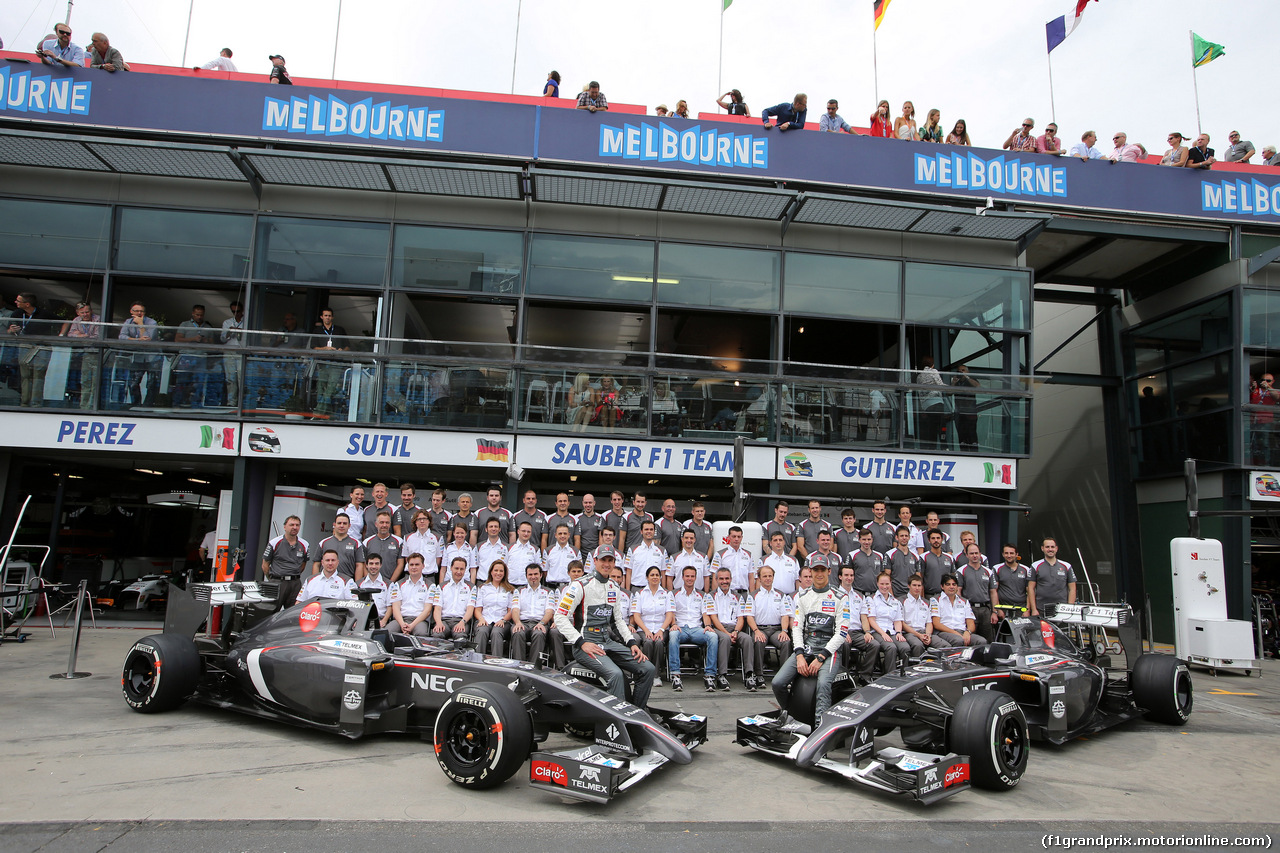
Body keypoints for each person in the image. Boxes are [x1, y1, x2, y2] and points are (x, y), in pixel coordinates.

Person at [554, 546, 655, 706]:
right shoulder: (579, 585)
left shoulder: (614, 587)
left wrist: (631, 643)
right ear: (595, 561)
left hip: (607, 642)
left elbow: (618, 621)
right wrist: (581, 643)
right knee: (615, 675)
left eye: (610, 560)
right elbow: (559, 617)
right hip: (586, 644)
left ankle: (637, 713)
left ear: (614, 562)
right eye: (603, 560)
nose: (607, 564)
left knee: (648, 669)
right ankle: (618, 721)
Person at [770, 562, 845, 724]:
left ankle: (820, 730)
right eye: (815, 570)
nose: (819, 574)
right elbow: (796, 628)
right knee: (777, 683)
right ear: (810, 572)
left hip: (829, 651)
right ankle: (791, 714)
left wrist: (821, 658)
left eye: (822, 570)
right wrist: (799, 656)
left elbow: (842, 634)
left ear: (829, 571)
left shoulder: (841, 597)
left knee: (823, 685)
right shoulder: (803, 597)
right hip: (807, 648)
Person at [666, 564, 717, 692]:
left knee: (713, 636)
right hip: (680, 628)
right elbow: (671, 612)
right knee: (672, 635)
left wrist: (708, 626)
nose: (689, 578)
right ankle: (675, 674)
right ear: (682, 577)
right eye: (687, 576)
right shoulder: (673, 593)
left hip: (696, 629)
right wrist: (673, 625)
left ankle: (710, 674)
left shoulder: (702, 595)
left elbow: (705, 613)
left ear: (695, 578)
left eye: (692, 576)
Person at [744, 565, 793, 689]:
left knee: (786, 641)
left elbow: (785, 615)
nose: (767, 578)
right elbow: (749, 616)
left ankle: (784, 675)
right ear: (759, 578)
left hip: (777, 629)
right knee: (759, 640)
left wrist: (784, 631)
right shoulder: (753, 595)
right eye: (764, 576)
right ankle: (759, 675)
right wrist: (756, 631)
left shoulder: (781, 595)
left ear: (773, 577)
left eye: (770, 576)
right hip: (760, 629)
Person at [705, 568, 751, 690]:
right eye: (721, 579)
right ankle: (722, 675)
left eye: (727, 578)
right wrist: (727, 633)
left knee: (747, 639)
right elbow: (714, 619)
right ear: (716, 580)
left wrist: (735, 632)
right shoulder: (710, 596)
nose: (724, 581)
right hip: (719, 628)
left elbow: (741, 618)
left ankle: (749, 674)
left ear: (731, 579)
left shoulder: (738, 596)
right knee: (725, 639)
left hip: (735, 628)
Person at [632, 566, 674, 683]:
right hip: (644, 628)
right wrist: (646, 630)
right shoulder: (640, 593)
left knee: (660, 642)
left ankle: (656, 675)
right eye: (652, 575)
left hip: (662, 628)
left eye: (657, 575)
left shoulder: (667, 594)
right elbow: (636, 616)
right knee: (648, 642)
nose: (655, 577)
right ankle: (645, 673)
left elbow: (669, 615)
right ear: (647, 577)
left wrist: (661, 630)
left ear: (660, 577)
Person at [261, 515, 310, 610]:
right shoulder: (274, 542)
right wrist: (272, 579)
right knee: (272, 611)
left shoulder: (305, 544)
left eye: (297, 525)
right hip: (277, 582)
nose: (294, 527)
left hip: (295, 583)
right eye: (291, 525)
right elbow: (265, 565)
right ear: (285, 527)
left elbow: (303, 564)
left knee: (292, 613)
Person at [60, 300, 102, 410]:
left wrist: (81, 336)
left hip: (96, 353)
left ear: (91, 311)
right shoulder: (76, 320)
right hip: (83, 355)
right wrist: (84, 336)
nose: (85, 315)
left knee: (95, 382)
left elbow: (97, 336)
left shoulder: (98, 319)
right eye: (82, 313)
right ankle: (84, 406)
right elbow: (71, 334)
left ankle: (93, 405)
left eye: (87, 312)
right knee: (85, 381)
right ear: (78, 313)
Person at [511, 563, 556, 664]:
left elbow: (549, 611)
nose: (533, 577)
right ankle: (519, 665)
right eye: (530, 574)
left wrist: (542, 623)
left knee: (539, 634)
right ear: (526, 576)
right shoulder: (519, 591)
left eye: (536, 574)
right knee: (517, 632)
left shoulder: (548, 592)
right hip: (522, 622)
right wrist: (517, 622)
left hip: (540, 622)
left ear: (541, 575)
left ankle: (534, 667)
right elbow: (515, 610)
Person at [118, 301, 159, 407]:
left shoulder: (152, 323)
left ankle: (148, 406)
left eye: (141, 311)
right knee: (133, 383)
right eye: (137, 311)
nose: (139, 313)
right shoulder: (128, 321)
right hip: (137, 357)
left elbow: (147, 339)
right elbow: (122, 337)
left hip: (152, 357)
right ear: (131, 312)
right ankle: (136, 405)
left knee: (151, 384)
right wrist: (137, 339)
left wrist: (141, 325)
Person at [172, 304, 215, 407]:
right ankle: (177, 404)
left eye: (201, 315)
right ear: (192, 314)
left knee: (199, 383)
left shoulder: (208, 327)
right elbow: (177, 339)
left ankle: (196, 404)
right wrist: (192, 339)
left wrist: (205, 340)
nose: (199, 317)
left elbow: (213, 344)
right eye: (197, 315)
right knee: (182, 381)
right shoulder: (184, 324)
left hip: (201, 357)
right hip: (186, 356)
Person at [472, 560, 515, 655]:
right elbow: (477, 609)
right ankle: (478, 661)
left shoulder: (510, 589)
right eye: (496, 570)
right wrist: (481, 619)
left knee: (496, 632)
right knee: (482, 631)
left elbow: (511, 611)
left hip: (502, 621)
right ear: (491, 572)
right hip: (485, 619)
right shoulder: (483, 588)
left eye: (501, 571)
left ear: (505, 573)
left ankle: (496, 662)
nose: (498, 573)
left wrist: (503, 620)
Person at [931, 573, 987, 647]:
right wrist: (955, 633)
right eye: (948, 584)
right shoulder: (935, 600)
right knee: (958, 640)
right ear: (942, 586)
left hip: (962, 632)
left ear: (957, 587)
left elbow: (971, 622)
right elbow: (936, 624)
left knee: (982, 641)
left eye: (954, 584)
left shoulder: (964, 601)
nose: (951, 587)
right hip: (944, 632)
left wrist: (968, 632)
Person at [311, 308, 348, 415]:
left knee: (331, 388)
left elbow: (348, 346)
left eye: (329, 316)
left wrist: (342, 351)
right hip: (322, 363)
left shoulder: (339, 330)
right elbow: (313, 347)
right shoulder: (317, 331)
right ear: (322, 317)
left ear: (332, 317)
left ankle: (318, 413)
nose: (327, 317)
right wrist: (325, 349)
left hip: (336, 363)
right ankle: (326, 413)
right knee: (320, 388)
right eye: (325, 315)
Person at [1028, 536, 1077, 616]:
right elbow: (1031, 589)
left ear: (1056, 548)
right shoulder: (1035, 566)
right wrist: (1034, 609)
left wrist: (1069, 608)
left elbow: (1072, 589)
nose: (1050, 549)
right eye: (1047, 547)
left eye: (1052, 547)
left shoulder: (1067, 566)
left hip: (1061, 610)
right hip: (1041, 610)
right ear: (1042, 548)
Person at [311, 511, 365, 582]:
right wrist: (315, 582)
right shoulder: (324, 543)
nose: (342, 526)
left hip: (346, 582)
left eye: (345, 523)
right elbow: (317, 564)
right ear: (334, 525)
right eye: (339, 523)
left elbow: (359, 565)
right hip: (326, 581)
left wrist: (357, 584)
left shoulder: (356, 544)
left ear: (349, 526)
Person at [901, 573, 947, 656]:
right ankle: (917, 667)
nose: (917, 588)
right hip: (909, 633)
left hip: (925, 632)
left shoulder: (926, 602)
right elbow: (902, 623)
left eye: (919, 585)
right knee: (918, 645)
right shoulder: (901, 601)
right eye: (914, 585)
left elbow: (929, 622)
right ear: (909, 586)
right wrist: (919, 635)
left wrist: (928, 635)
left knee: (944, 646)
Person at [957, 543, 995, 642]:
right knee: (971, 639)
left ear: (980, 554)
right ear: (967, 555)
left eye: (976, 553)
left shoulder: (988, 572)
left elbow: (993, 592)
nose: (974, 556)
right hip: (970, 609)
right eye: (971, 553)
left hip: (985, 609)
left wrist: (994, 612)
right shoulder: (961, 571)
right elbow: (958, 592)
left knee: (988, 640)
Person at [431, 556, 476, 640]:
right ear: (451, 568)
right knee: (437, 634)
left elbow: (470, 609)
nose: (459, 572)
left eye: (462, 569)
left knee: (460, 637)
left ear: (465, 570)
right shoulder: (441, 586)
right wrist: (439, 622)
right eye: (456, 568)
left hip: (461, 620)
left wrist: (463, 622)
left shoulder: (471, 587)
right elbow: (437, 608)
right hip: (444, 621)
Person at [388, 554, 433, 636]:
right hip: (401, 619)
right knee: (387, 631)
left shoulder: (431, 586)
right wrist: (402, 624)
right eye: (411, 564)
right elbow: (395, 607)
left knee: (421, 633)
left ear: (423, 566)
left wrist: (411, 626)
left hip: (420, 620)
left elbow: (427, 611)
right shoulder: (398, 584)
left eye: (417, 564)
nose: (414, 567)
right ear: (407, 566)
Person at [990, 543, 1032, 624]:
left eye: (1011, 553)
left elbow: (1030, 592)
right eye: (1006, 553)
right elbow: (994, 591)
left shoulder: (1026, 569)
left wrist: (1027, 610)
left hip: (1021, 610)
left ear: (1016, 554)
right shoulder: (997, 569)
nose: (1009, 556)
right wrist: (997, 610)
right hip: (1004, 610)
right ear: (1002, 554)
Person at [711, 525, 758, 594]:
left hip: (743, 594)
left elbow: (751, 577)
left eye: (739, 537)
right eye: (734, 536)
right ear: (728, 537)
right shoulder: (720, 554)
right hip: (726, 593)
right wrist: (714, 595)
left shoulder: (748, 555)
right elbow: (715, 577)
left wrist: (752, 596)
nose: (736, 539)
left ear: (742, 538)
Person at [362, 510, 405, 583]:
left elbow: (400, 564)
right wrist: (369, 581)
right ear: (376, 524)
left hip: (391, 583)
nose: (384, 525)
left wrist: (390, 583)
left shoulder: (399, 542)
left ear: (390, 524)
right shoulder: (366, 542)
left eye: (387, 522)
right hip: (371, 583)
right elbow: (363, 564)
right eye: (381, 522)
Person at [627, 520, 668, 590]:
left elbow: (663, 573)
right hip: (637, 588)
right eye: (646, 529)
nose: (649, 531)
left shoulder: (662, 550)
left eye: (651, 529)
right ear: (641, 531)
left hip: (656, 589)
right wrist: (628, 592)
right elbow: (628, 572)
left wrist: (663, 590)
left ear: (654, 532)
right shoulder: (632, 549)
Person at [916, 355, 946, 448]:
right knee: (942, 426)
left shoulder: (919, 376)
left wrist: (922, 407)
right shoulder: (934, 371)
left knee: (932, 428)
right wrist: (951, 387)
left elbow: (919, 392)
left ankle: (932, 448)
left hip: (926, 405)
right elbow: (940, 385)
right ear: (932, 364)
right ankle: (945, 447)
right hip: (936, 402)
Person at [220, 301, 245, 407]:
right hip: (229, 351)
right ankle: (231, 402)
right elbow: (222, 339)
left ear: (242, 310)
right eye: (233, 311)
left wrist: (241, 332)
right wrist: (229, 332)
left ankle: (242, 403)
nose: (236, 314)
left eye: (238, 311)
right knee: (230, 378)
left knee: (241, 377)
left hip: (241, 351)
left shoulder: (247, 322)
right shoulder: (227, 322)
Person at [356, 554, 393, 627]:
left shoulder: (389, 584)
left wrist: (384, 621)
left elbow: (390, 606)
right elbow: (355, 605)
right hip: (363, 620)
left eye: (376, 564)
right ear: (366, 565)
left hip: (381, 620)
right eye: (371, 563)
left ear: (381, 565)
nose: (374, 567)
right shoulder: (358, 584)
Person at [403, 510, 442, 579]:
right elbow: (406, 558)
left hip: (429, 576)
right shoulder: (407, 538)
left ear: (429, 521)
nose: (422, 521)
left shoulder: (437, 538)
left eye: (424, 519)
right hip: (411, 577)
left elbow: (438, 558)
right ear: (415, 522)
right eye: (419, 519)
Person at [670, 528, 710, 593]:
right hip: (678, 595)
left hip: (698, 595)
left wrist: (706, 594)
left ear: (694, 540)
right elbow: (669, 578)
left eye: (691, 538)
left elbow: (706, 577)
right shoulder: (674, 557)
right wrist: (671, 595)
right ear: (682, 539)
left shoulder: (703, 557)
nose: (689, 540)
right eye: (686, 538)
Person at [847, 528, 885, 595]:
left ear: (872, 540)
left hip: (875, 593)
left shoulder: (879, 556)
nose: (867, 542)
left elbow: (881, 575)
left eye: (869, 539)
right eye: (864, 539)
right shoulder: (852, 555)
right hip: (858, 593)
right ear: (859, 540)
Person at [951, 365, 980, 450]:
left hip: (970, 411)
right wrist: (953, 383)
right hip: (959, 412)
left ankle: (974, 452)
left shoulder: (971, 379)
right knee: (962, 435)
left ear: (967, 372)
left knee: (971, 433)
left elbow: (978, 387)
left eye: (963, 370)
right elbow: (948, 393)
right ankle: (963, 451)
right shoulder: (956, 381)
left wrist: (967, 378)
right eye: (959, 371)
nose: (961, 372)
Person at [887, 524, 920, 598]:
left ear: (909, 537)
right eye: (901, 536)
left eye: (906, 536)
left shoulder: (916, 556)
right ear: (896, 537)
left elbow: (918, 578)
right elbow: (887, 577)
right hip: (896, 595)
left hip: (911, 595)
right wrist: (892, 596)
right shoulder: (889, 554)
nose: (904, 538)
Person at [507, 521, 544, 587]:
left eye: (528, 531)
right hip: (510, 585)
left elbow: (539, 569)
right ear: (518, 531)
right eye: (523, 531)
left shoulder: (535, 549)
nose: (526, 533)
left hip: (527, 586)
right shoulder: (508, 548)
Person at [762, 531, 800, 596]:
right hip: (770, 597)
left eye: (780, 540)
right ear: (770, 543)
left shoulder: (793, 560)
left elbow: (798, 580)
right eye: (775, 540)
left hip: (789, 597)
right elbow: (759, 581)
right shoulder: (764, 560)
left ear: (784, 542)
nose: (778, 542)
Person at [921, 529, 955, 599]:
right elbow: (920, 579)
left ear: (942, 539)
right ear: (929, 540)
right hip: (929, 596)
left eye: (938, 538)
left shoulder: (949, 558)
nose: (936, 540)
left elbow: (953, 578)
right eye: (933, 538)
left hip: (947, 596)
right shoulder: (923, 557)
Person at [475, 517, 509, 584]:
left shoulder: (506, 547)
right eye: (491, 526)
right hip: (482, 582)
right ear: (486, 529)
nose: (493, 529)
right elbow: (475, 567)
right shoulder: (479, 546)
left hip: (500, 583)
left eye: (496, 527)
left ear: (499, 529)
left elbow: (507, 567)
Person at [545, 523, 579, 589]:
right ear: (555, 535)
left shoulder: (576, 551)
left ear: (569, 535)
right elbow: (545, 570)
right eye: (560, 533)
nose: (562, 536)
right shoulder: (548, 551)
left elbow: (578, 570)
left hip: (569, 587)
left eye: (565, 533)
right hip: (552, 587)